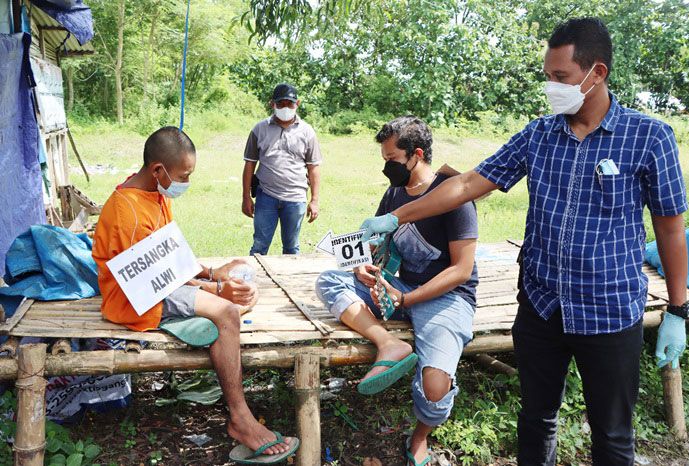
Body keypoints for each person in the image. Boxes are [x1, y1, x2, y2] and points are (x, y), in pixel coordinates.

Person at [359, 18, 689, 466]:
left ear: (597, 74)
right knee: (536, 420)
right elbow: (469, 183)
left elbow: (670, 228)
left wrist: (675, 310)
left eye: (562, 78)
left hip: (610, 310)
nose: (552, 87)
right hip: (541, 306)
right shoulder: (540, 134)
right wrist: (395, 216)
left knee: (613, 434)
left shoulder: (648, 137)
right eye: (548, 77)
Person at [92, 127, 298, 462]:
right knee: (228, 311)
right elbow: (153, 282)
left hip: (155, 282)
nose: (186, 181)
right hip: (133, 299)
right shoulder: (126, 214)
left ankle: (220, 304)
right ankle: (240, 418)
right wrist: (217, 290)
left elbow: (168, 254)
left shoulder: (153, 193)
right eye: (184, 175)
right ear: (159, 170)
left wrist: (212, 272)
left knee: (235, 290)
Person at [316, 116, 479, 465]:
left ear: (416, 154)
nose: (386, 168)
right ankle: (389, 344)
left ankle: (419, 435)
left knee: (436, 389)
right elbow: (375, 244)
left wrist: (405, 298)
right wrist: (363, 266)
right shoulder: (394, 193)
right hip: (399, 288)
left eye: (391, 159)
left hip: (446, 297)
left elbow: (461, 270)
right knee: (330, 280)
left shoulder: (455, 194)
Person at [242, 83, 322, 255]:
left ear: (297, 103)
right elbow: (249, 164)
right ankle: (253, 281)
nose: (285, 108)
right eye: (281, 104)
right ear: (273, 104)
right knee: (259, 246)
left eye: (289, 104)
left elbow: (313, 167)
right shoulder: (259, 129)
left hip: (296, 199)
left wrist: (314, 200)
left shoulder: (307, 132)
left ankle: (290, 282)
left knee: (292, 248)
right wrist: (245, 197)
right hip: (266, 196)